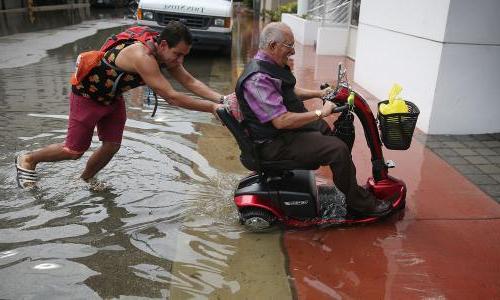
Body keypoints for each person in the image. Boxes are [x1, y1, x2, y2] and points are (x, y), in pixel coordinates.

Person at [15, 21, 225, 188]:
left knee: (112, 146)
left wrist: (223, 100)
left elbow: (189, 81)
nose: (180, 60)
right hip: (87, 96)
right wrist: (211, 108)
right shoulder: (142, 56)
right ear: (163, 45)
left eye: (184, 56)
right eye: (178, 54)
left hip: (113, 98)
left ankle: (85, 180)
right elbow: (171, 96)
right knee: (74, 150)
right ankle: (28, 159)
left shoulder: (165, 55)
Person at [234, 22, 391, 217]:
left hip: (281, 133)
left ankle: (346, 181)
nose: (292, 52)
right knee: (337, 149)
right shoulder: (258, 79)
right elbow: (281, 120)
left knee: (325, 129)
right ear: (273, 45)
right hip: (273, 144)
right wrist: (321, 112)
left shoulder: (270, 65)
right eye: (289, 46)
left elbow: (290, 91)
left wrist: (319, 93)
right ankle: (358, 203)